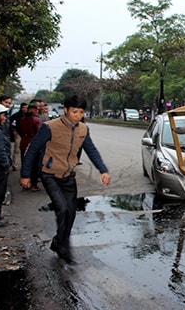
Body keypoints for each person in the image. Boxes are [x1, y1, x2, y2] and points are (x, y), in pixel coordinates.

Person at [20, 95, 111, 263]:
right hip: (49, 174)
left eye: (81, 112)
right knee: (61, 208)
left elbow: (91, 150)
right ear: (66, 110)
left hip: (68, 175)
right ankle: (62, 247)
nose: (78, 115)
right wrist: (25, 175)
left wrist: (103, 170)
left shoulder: (83, 129)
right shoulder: (49, 127)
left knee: (70, 212)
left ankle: (59, 241)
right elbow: (32, 150)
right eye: (74, 111)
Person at [19, 103, 43, 191]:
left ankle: (25, 183)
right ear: (36, 110)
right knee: (35, 166)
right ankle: (34, 184)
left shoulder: (23, 119)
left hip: (24, 142)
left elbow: (20, 130)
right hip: (33, 144)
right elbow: (40, 133)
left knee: (25, 163)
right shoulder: (37, 119)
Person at [9, 102, 28, 171]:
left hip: (26, 134)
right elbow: (10, 123)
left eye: (26, 108)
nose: (25, 109)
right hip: (18, 133)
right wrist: (13, 130)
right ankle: (15, 164)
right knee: (17, 150)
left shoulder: (28, 116)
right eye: (24, 107)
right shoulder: (16, 115)